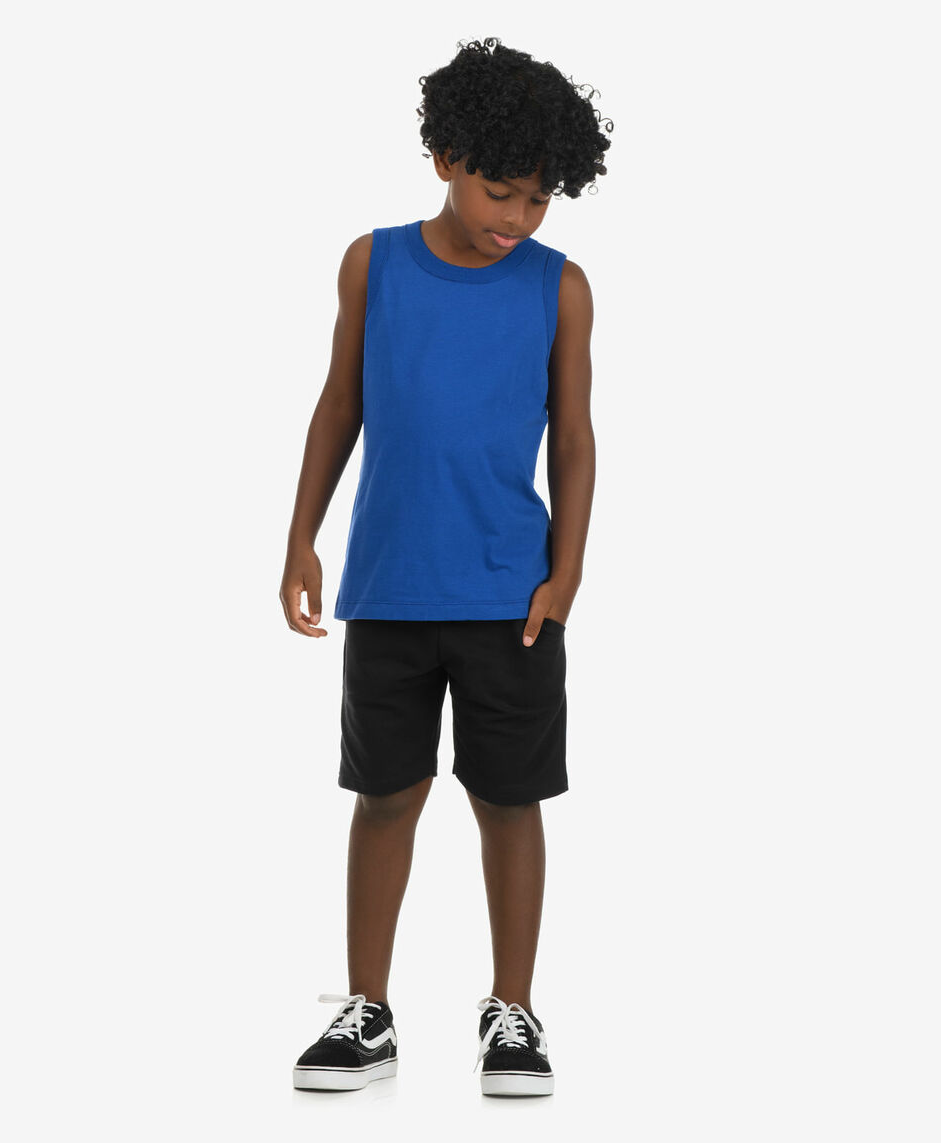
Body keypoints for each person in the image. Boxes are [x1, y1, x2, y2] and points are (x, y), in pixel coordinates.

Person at [280, 36, 610, 1097]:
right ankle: (366, 1011)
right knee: (384, 794)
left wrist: (566, 573)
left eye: (539, 199)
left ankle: (512, 1010)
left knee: (510, 800)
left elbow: (574, 438)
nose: (518, 217)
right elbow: (340, 403)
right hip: (388, 588)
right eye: (499, 191)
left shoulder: (559, 288)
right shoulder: (372, 263)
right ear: (444, 158)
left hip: (512, 597)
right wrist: (301, 535)